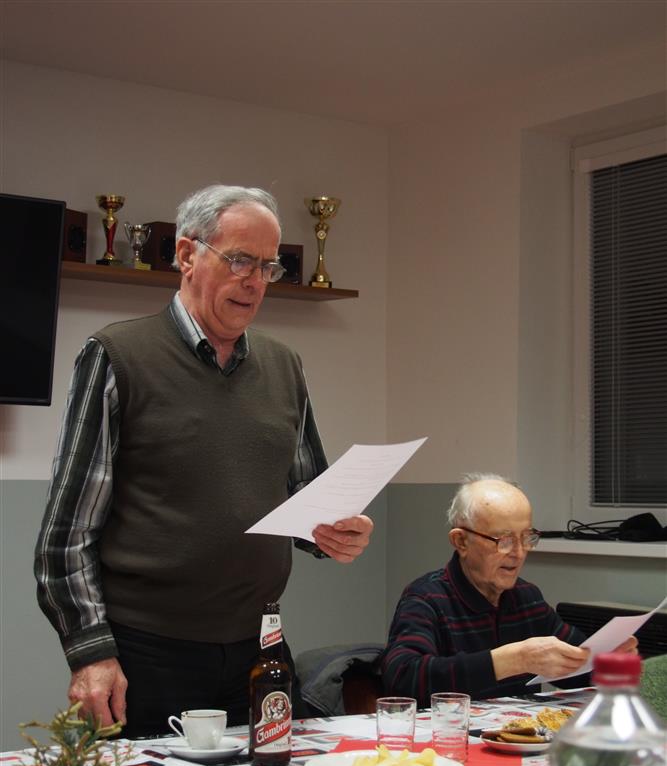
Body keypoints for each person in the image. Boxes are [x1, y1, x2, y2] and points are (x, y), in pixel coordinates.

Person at [35, 184, 373, 736]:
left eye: (268, 267)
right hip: (148, 655)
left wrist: (338, 532)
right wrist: (89, 652)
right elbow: (67, 535)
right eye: (239, 260)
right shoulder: (117, 356)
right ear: (187, 255)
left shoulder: (284, 366)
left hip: (260, 647)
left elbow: (309, 501)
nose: (254, 281)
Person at [381, 473, 636, 703]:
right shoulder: (426, 598)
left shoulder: (526, 597)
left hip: (517, 734)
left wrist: (609, 662)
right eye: (504, 540)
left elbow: (575, 668)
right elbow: (403, 678)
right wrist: (512, 661)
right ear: (461, 541)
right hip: (447, 735)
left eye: (526, 537)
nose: (519, 552)